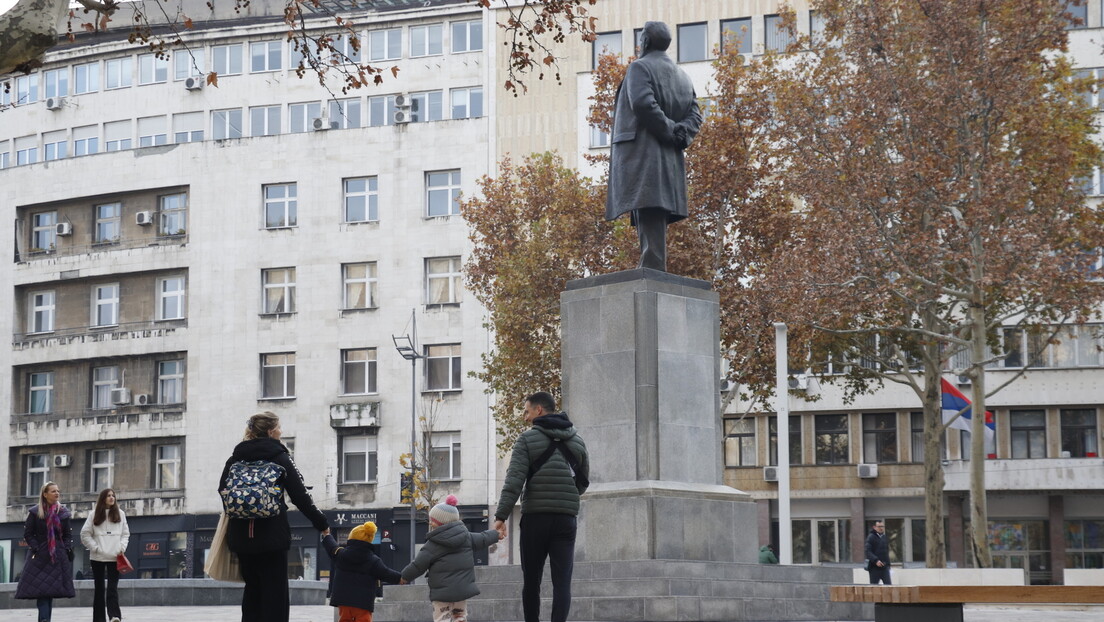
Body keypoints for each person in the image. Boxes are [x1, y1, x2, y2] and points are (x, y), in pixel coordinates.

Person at [605, 20, 703, 272]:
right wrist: (681, 132)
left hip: (643, 151)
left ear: (645, 42)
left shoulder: (640, 67)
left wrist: (670, 130)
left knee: (649, 202)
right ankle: (650, 263)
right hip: (667, 155)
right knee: (649, 206)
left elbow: (643, 103)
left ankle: (652, 265)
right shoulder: (683, 76)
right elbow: (695, 113)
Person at [218, 412, 330, 622]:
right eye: (279, 427)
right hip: (272, 537)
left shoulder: (235, 458)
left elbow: (222, 490)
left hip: (242, 538)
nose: (281, 431)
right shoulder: (280, 457)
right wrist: (322, 523)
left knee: (252, 592)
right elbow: (300, 496)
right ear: (270, 432)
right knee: (275, 596)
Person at [493, 392, 589, 622]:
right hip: (565, 520)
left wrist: (501, 516)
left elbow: (514, 480)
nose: (525, 417)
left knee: (532, 581)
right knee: (562, 582)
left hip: (536, 518)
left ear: (538, 410)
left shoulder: (526, 440)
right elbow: (583, 481)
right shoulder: (577, 441)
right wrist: (565, 497)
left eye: (526, 411)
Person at [401, 495, 501, 622]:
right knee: (459, 616)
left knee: (442, 618)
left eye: (433, 520)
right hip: (461, 591)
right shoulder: (467, 537)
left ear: (441, 522)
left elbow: (418, 565)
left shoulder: (433, 544)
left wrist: (404, 577)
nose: (430, 522)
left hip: (442, 593)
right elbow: (483, 538)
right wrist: (496, 534)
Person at [15, 481, 76, 622]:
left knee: (50, 591)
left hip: (57, 556)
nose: (57, 493)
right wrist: (37, 548)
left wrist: (65, 548)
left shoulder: (63, 512)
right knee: (42, 591)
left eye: (58, 491)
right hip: (40, 556)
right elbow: (28, 534)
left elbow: (67, 535)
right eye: (53, 491)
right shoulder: (35, 512)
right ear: (45, 494)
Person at [322, 520, 405, 622]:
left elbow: (332, 547)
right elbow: (386, 573)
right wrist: (400, 578)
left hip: (343, 601)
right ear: (370, 539)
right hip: (363, 603)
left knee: (344, 619)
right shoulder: (373, 560)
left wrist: (327, 534)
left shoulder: (341, 554)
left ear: (351, 538)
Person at [80, 488, 130, 622]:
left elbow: (125, 534)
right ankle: (99, 619)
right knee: (99, 589)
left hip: (116, 557)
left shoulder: (121, 514)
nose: (112, 498)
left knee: (113, 588)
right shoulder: (93, 514)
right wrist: (95, 548)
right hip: (97, 557)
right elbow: (84, 534)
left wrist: (121, 547)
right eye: (108, 496)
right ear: (103, 498)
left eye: (113, 495)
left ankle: (115, 616)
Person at [865, 520, 892, 585]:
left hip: (884, 567)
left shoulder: (884, 537)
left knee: (889, 586)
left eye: (882, 526)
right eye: (879, 526)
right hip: (874, 567)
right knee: (874, 587)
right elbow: (868, 551)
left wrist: (888, 564)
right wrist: (876, 560)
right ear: (874, 527)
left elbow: (886, 551)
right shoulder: (871, 537)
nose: (881, 528)